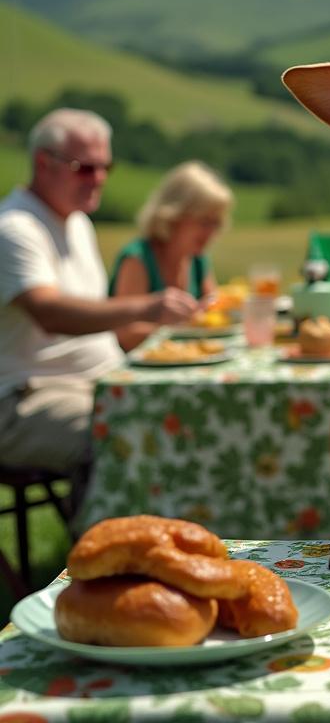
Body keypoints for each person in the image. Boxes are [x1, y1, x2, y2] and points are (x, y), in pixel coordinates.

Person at [0, 109, 198, 500]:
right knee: (129, 433)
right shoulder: (15, 229)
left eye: (105, 166)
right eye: (84, 168)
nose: (100, 179)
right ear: (43, 163)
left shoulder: (76, 223)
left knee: (187, 413)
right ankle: (109, 551)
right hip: (26, 398)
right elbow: (50, 313)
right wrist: (147, 307)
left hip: (94, 385)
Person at [109, 161, 233, 351]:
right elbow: (126, 335)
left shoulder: (197, 259)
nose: (212, 232)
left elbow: (214, 312)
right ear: (174, 216)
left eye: (216, 223)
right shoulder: (138, 258)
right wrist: (184, 328)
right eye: (204, 222)